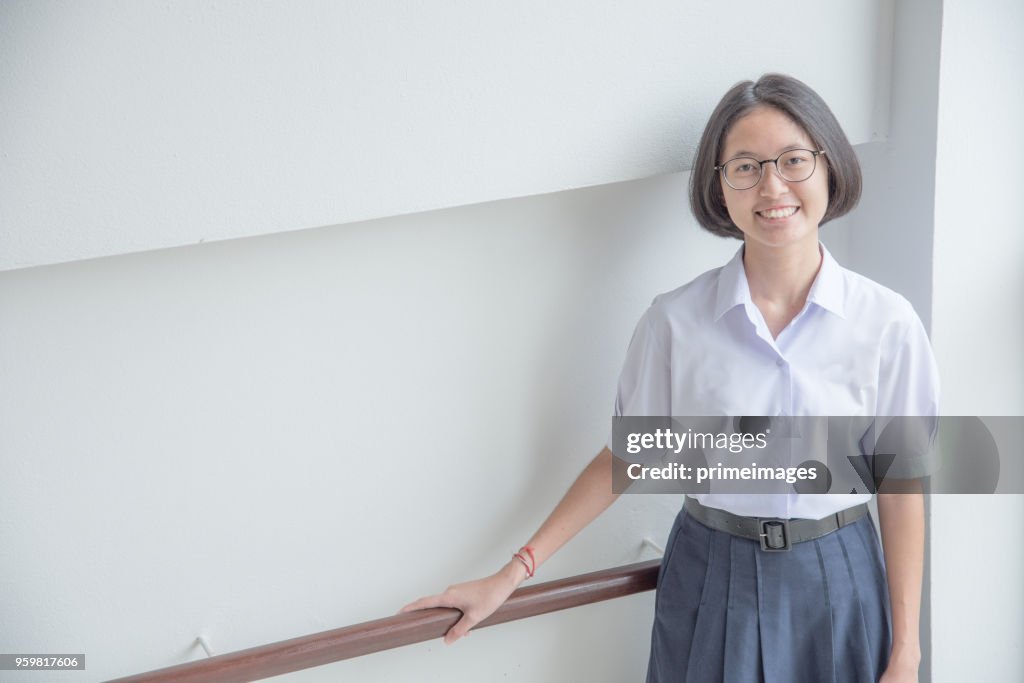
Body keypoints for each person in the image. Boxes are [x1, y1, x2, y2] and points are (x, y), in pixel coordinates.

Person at [401, 73, 938, 683]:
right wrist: (511, 574)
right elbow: (629, 458)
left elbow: (902, 487)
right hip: (712, 572)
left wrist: (907, 651)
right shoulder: (676, 321)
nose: (772, 187)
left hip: (840, 574)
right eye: (745, 167)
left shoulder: (887, 323)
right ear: (721, 188)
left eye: (793, 161)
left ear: (829, 167)